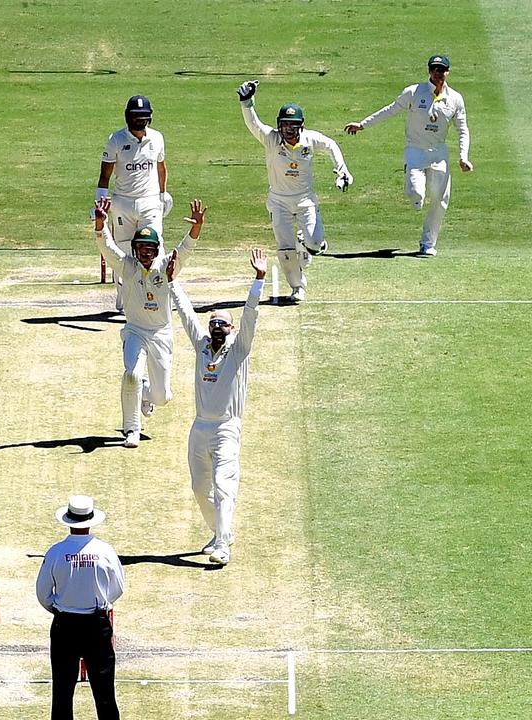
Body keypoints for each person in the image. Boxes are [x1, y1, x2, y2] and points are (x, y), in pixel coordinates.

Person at [167, 249, 266, 566]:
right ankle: (220, 531)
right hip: (199, 427)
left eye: (222, 323)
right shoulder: (201, 346)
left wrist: (258, 281)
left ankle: (223, 545)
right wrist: (172, 283)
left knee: (224, 485)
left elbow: (250, 316)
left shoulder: (239, 350)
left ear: (232, 329)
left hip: (226, 428)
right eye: (213, 323)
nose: (216, 327)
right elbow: (185, 314)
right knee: (199, 487)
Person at [92, 194, 204, 448]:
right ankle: (131, 430)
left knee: (162, 397)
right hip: (135, 331)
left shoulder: (167, 267)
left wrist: (195, 228)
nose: (144, 253)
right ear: (135, 249)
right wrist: (100, 225)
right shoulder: (127, 267)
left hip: (161, 333)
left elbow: (185, 251)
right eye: (141, 248)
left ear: (156, 250)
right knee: (130, 374)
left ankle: (145, 390)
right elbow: (107, 249)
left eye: (149, 249)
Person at [343, 54, 473, 257]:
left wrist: (463, 157)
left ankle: (427, 244)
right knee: (415, 194)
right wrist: (362, 124)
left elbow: (463, 129)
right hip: (415, 150)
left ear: (448, 72)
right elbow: (391, 110)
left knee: (440, 199)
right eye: (434, 69)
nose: (438, 73)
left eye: (442, 70)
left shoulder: (455, 98)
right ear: (429, 71)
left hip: (439, 153)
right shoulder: (414, 92)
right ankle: (413, 189)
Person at [236, 79, 352, 303]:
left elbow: (331, 146)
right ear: (279, 125)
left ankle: (305, 244)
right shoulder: (272, 139)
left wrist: (342, 171)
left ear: (301, 125)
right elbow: (254, 124)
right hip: (278, 201)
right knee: (285, 249)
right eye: (285, 125)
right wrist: (246, 101)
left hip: (305, 200)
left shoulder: (309, 140)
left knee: (316, 245)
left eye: (293, 125)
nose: (288, 130)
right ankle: (297, 287)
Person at [37, 495, 125, 720]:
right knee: (105, 694)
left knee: (62, 694)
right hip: (97, 625)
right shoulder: (105, 551)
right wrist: (101, 603)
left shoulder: (55, 552)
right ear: (90, 520)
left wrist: (60, 607)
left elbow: (43, 593)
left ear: (68, 520)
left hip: (65, 625)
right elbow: (118, 588)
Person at [97, 95, 172, 311]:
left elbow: (161, 167)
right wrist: (100, 201)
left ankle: (160, 293)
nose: (139, 121)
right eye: (135, 116)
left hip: (150, 203)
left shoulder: (157, 138)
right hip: (123, 203)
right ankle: (124, 295)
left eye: (143, 117)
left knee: (154, 246)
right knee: (123, 252)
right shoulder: (116, 140)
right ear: (128, 117)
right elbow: (105, 175)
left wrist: (163, 193)